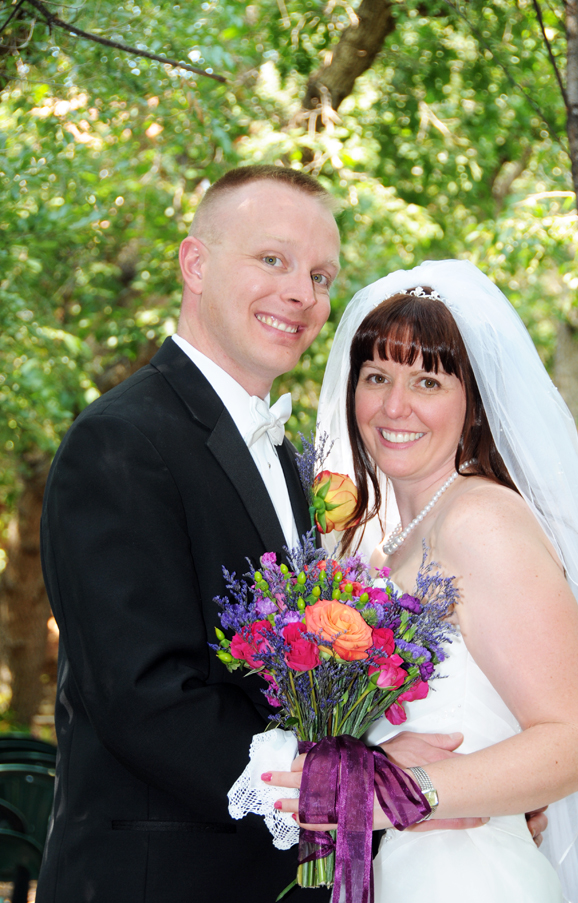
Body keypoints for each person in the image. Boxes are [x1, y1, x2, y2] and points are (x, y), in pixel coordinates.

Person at [37, 170, 546, 902]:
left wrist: (484, 776)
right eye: (272, 260)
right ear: (195, 264)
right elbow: (143, 697)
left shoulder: (280, 457)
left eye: (320, 274)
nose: (303, 294)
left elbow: (297, 688)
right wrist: (354, 788)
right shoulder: (119, 441)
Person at [272, 260, 578, 902]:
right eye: (376, 377)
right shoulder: (387, 537)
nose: (395, 406)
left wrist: (403, 795)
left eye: (427, 380)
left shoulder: (481, 520)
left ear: (472, 402)